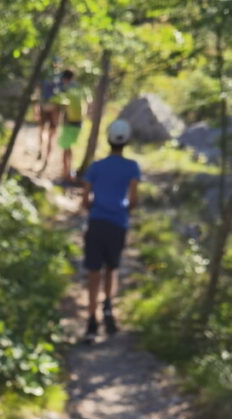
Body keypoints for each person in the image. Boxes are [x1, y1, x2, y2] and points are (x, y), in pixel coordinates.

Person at [79, 119, 141, 343]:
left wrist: (95, 206)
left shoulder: (96, 167)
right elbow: (133, 199)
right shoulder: (132, 167)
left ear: (108, 139)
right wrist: (122, 209)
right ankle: (108, 307)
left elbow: (85, 200)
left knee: (94, 272)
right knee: (111, 269)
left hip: (96, 224)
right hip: (118, 225)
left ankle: (91, 320)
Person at [55, 69, 87, 183]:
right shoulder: (80, 88)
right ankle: (68, 172)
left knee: (65, 148)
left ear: (64, 78)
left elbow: (60, 102)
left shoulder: (66, 89)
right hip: (79, 122)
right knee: (69, 148)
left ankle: (65, 174)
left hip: (69, 121)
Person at [34, 61, 63, 167]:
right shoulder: (60, 78)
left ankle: (41, 148)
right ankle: (47, 158)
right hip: (55, 108)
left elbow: (38, 91)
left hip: (43, 105)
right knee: (52, 134)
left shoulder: (45, 76)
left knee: (42, 130)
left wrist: (36, 108)